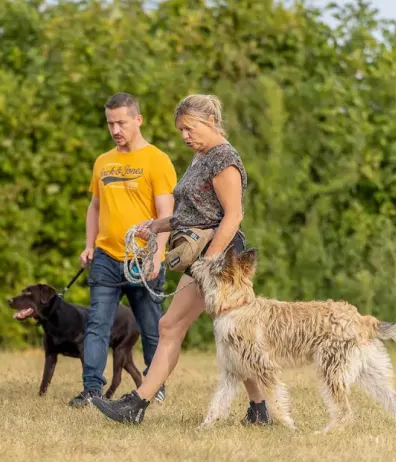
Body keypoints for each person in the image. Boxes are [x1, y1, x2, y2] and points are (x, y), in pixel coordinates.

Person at [92, 94, 270, 426]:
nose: (185, 136)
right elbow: (192, 213)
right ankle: (260, 410)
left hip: (220, 258)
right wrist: (155, 226)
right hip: (206, 257)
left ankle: (137, 404)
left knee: (173, 326)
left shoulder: (224, 160)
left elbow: (232, 216)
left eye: (189, 128)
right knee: (234, 336)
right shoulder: (201, 157)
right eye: (181, 131)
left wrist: (210, 262)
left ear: (210, 122)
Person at [71, 93, 177, 408]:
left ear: (138, 120)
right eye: (110, 123)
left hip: (143, 259)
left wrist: (156, 257)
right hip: (106, 257)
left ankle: (154, 386)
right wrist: (89, 245)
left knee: (152, 327)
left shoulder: (157, 160)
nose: (115, 130)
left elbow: (166, 214)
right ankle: (91, 390)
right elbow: (94, 207)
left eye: (121, 123)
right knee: (97, 324)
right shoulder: (103, 162)